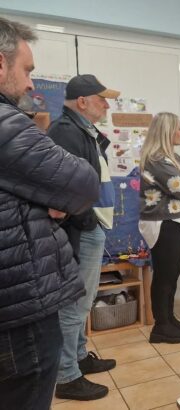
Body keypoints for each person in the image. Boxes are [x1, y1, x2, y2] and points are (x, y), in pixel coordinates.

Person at [0, 17, 99, 410]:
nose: (31, 84)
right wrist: (48, 199)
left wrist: (41, 196)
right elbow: (83, 184)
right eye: (27, 70)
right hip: (18, 307)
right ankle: (71, 374)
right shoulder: (7, 124)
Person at [48, 74, 119, 401]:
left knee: (83, 301)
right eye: (102, 99)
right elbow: (63, 186)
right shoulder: (66, 132)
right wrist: (88, 220)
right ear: (82, 101)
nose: (107, 105)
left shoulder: (83, 131)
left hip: (89, 227)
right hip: (81, 230)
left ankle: (77, 357)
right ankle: (66, 376)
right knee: (74, 304)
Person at [139, 112, 180, 343]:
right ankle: (161, 326)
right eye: (179, 128)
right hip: (163, 222)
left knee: (172, 274)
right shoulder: (157, 160)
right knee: (165, 275)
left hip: (175, 220)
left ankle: (168, 318)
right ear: (167, 131)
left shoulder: (171, 158)